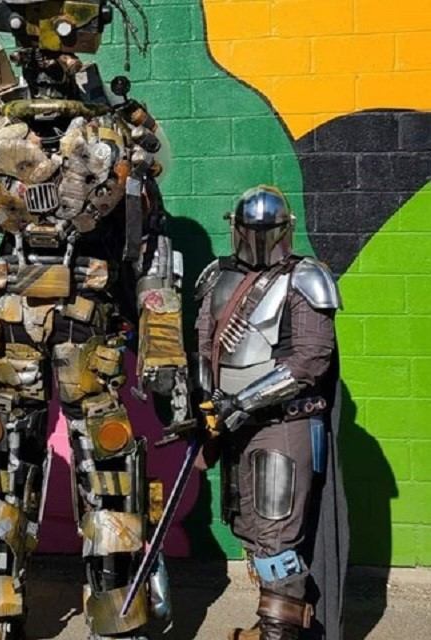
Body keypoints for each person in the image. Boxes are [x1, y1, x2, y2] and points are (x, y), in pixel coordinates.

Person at [0, 2, 188, 639]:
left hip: (76, 329)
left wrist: (165, 350)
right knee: (8, 463)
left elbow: (149, 248)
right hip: (32, 330)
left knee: (96, 463)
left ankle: (110, 610)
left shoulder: (115, 138)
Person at [194, 186, 348, 640]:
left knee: (277, 541)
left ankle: (279, 635)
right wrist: (207, 401)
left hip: (282, 425)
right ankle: (272, 626)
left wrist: (242, 401)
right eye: (250, 229)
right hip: (233, 427)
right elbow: (205, 347)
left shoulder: (307, 277)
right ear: (236, 228)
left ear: (285, 229)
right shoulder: (216, 276)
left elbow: (310, 360)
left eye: (267, 230)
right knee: (252, 532)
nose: (257, 239)